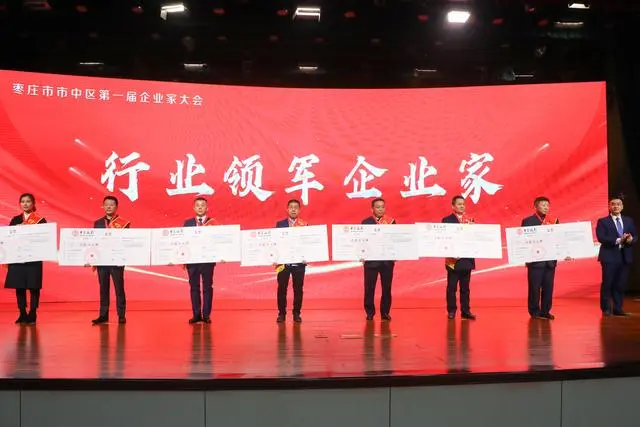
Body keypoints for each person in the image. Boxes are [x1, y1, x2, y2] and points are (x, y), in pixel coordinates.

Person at [3, 193, 47, 325]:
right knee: (19, 286)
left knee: (34, 287)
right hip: (18, 258)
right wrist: (16, 229)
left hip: (34, 258)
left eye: (28, 201)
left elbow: (44, 239)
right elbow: (8, 238)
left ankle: (33, 312)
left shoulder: (40, 220)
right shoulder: (15, 219)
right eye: (23, 201)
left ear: (33, 204)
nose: (25, 204)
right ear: (20, 204)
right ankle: (22, 312)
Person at [596, 196, 637, 316]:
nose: (616, 206)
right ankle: (606, 309)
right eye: (613, 204)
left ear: (622, 207)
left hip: (625, 257)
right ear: (609, 207)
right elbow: (601, 238)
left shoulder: (628, 220)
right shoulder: (603, 221)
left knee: (620, 284)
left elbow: (635, 236)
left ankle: (618, 308)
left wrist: (631, 239)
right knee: (607, 283)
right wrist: (619, 240)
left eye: (618, 204)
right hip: (609, 257)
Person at [92, 196, 130, 325]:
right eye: (106, 204)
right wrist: (92, 258)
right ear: (103, 206)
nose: (109, 207)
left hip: (116, 260)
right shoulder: (98, 223)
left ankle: (121, 315)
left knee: (119, 288)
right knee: (103, 288)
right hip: (102, 261)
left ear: (116, 207)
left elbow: (126, 242)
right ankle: (103, 315)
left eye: (111, 204)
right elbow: (94, 242)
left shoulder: (124, 223)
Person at [521, 196, 559, 320]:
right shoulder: (528, 221)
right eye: (543, 205)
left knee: (548, 288)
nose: (546, 207)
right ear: (536, 206)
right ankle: (534, 311)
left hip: (550, 260)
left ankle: (545, 311)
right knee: (534, 288)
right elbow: (523, 240)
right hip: (535, 260)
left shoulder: (554, 221)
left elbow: (558, 239)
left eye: (547, 205)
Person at [184, 197, 219, 324]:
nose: (200, 207)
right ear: (194, 208)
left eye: (203, 205)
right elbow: (184, 241)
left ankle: (206, 315)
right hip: (192, 261)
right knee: (194, 287)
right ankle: (196, 315)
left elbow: (218, 241)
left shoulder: (213, 223)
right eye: (197, 205)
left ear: (207, 208)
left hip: (207, 260)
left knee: (207, 287)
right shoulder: (187, 223)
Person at [442, 195, 476, 320]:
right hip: (453, 260)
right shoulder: (447, 220)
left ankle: (465, 311)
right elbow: (444, 238)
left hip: (466, 259)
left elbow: (474, 238)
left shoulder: (470, 220)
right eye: (459, 204)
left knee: (465, 288)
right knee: (451, 288)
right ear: (453, 206)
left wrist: (473, 229)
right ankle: (451, 311)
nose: (462, 206)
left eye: (463, 204)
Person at [362, 198, 396, 321]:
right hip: (371, 261)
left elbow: (395, 239)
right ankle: (370, 312)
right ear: (372, 209)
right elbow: (362, 240)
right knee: (369, 288)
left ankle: (385, 312)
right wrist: (361, 253)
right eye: (378, 207)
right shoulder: (366, 222)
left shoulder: (391, 221)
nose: (381, 209)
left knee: (387, 288)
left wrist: (396, 253)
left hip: (387, 261)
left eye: (383, 206)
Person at [275, 199, 307, 324]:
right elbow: (275, 243)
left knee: (298, 289)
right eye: (291, 207)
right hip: (283, 263)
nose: (293, 209)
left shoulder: (304, 225)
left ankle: (296, 313)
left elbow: (307, 244)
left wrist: (307, 256)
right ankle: (281, 314)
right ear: (287, 209)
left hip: (299, 263)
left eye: (296, 207)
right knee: (281, 289)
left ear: (299, 210)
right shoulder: (280, 224)